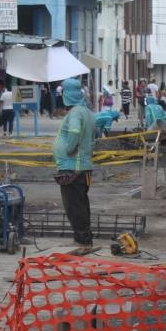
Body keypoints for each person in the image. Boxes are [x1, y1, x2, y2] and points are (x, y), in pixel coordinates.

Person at [53, 77, 96, 248]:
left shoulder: (76, 113)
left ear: (67, 94)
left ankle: (82, 240)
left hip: (74, 167)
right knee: (81, 203)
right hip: (82, 167)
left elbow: (75, 132)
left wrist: (69, 148)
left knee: (74, 206)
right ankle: (84, 236)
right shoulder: (86, 111)